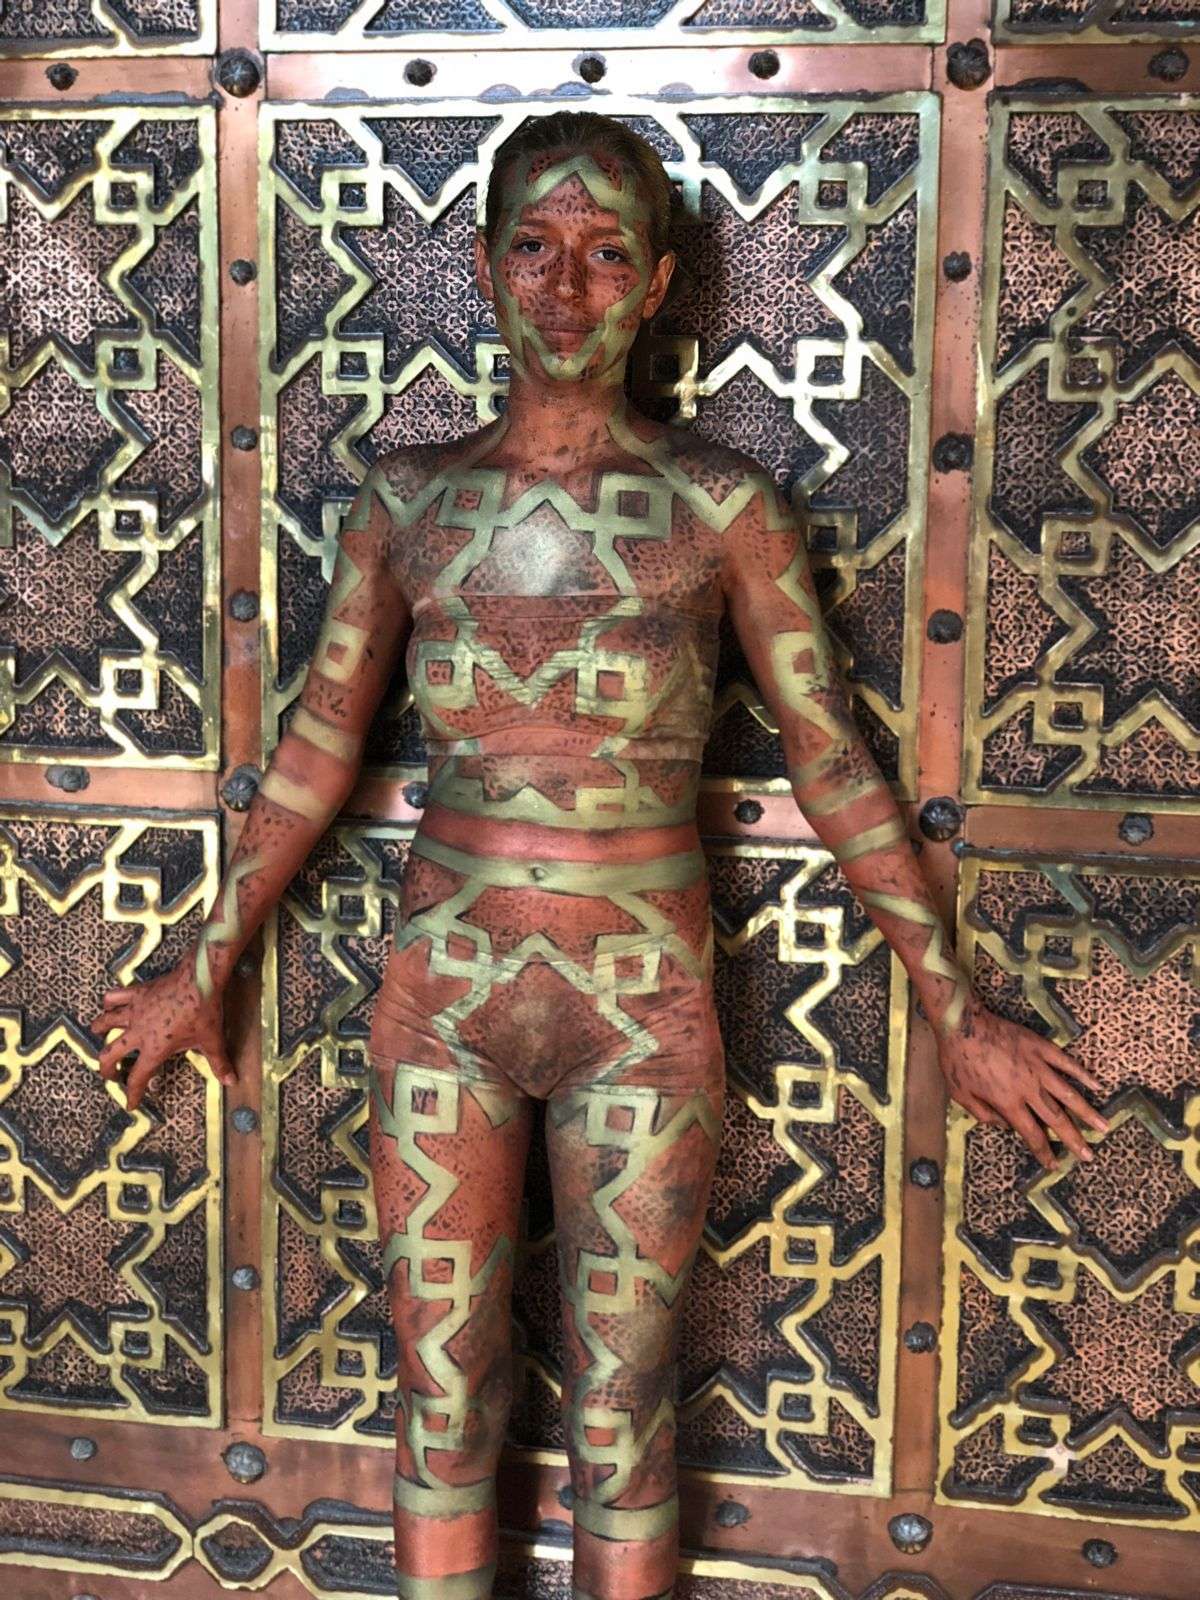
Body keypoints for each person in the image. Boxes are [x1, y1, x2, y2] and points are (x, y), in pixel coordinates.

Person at [89, 111, 1109, 1600]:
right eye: (534, 248)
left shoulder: (722, 507)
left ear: (659, 281)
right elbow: (312, 752)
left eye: (607, 253)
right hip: (445, 1001)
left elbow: (833, 763)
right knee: (441, 1398)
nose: (566, 288)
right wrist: (206, 965)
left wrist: (957, 1011)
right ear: (484, 266)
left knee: (626, 1414)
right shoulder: (410, 502)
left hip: (640, 1010)